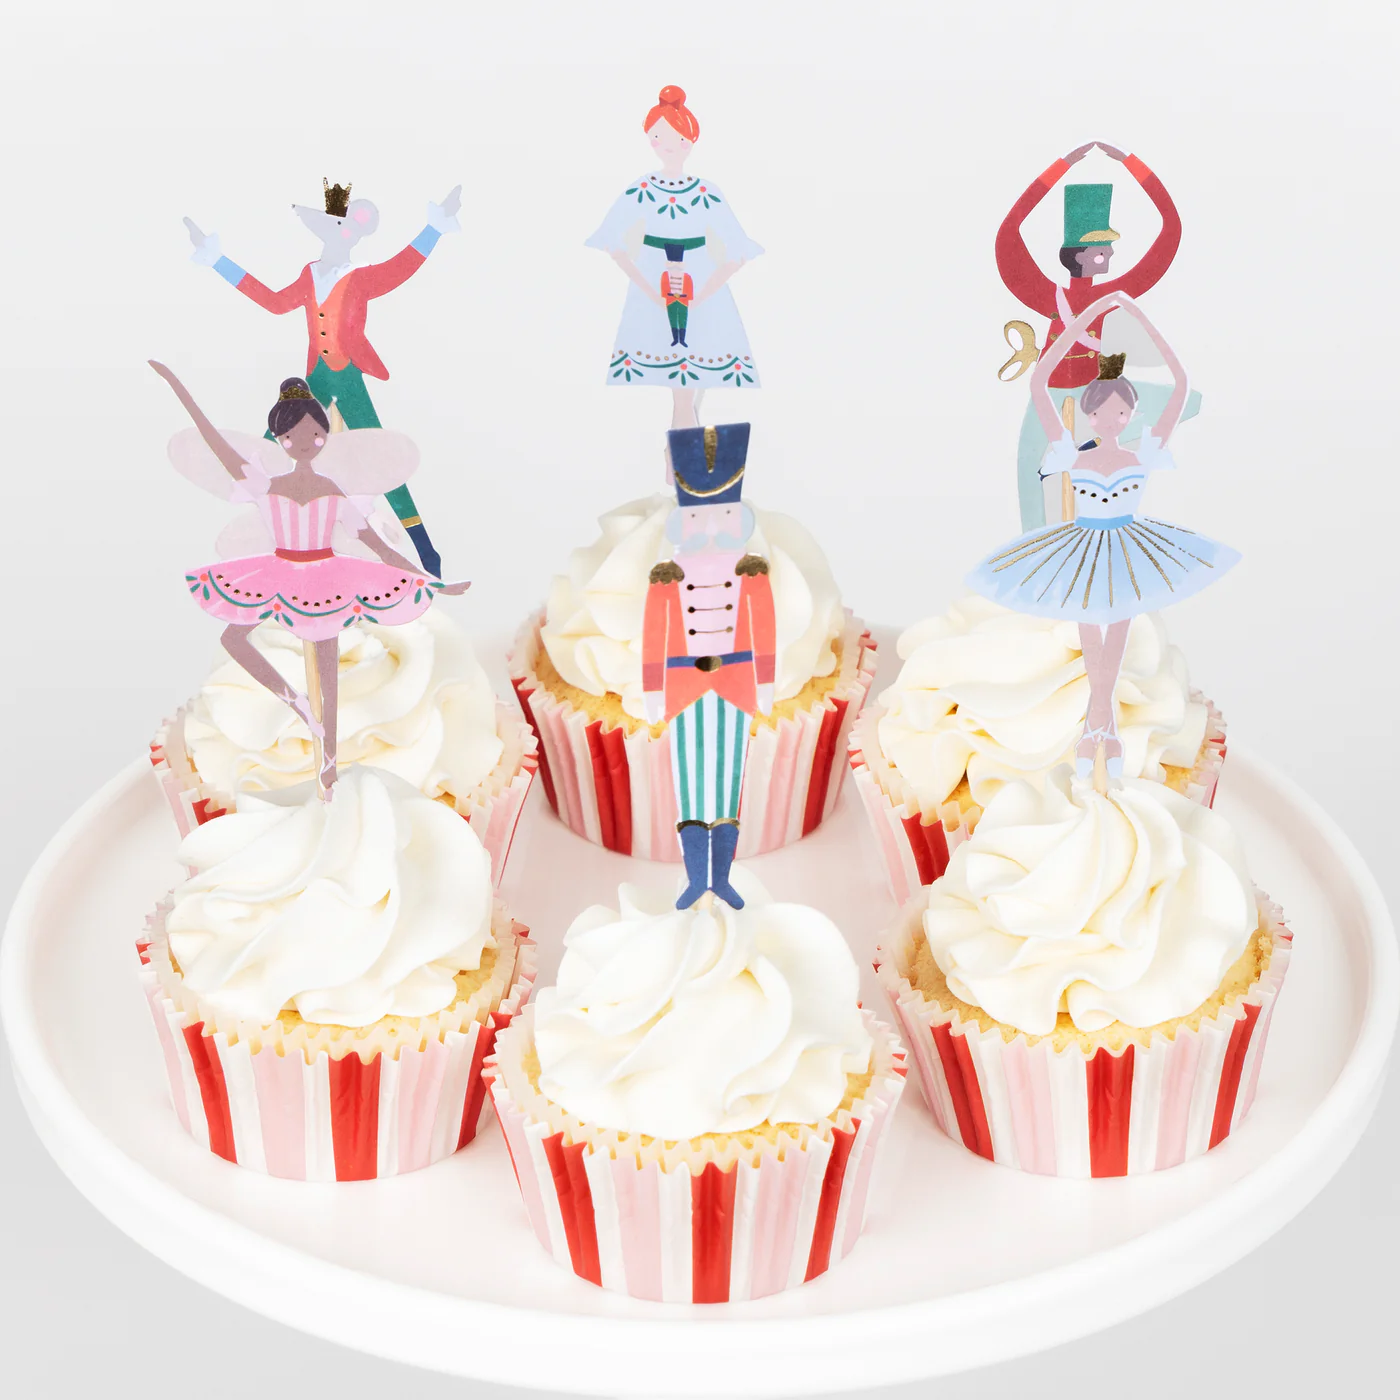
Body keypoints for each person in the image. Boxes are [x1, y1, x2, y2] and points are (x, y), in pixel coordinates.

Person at [152, 364, 469, 795]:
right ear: (280, 439)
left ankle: (329, 762)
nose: (304, 442)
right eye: (292, 436)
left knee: (327, 671)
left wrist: (433, 582)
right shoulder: (264, 485)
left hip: (329, 577)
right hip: (277, 571)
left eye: (315, 435)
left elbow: (380, 548)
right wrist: (181, 391)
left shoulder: (335, 492)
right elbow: (217, 445)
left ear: (324, 437)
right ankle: (297, 703)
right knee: (234, 638)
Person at [966, 293, 1238, 776]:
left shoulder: (1143, 453)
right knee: (1090, 630)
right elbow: (1039, 384)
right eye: (1101, 414)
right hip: (1082, 544)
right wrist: (1084, 320)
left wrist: (1142, 320)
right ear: (1089, 417)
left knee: (1118, 631)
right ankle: (1100, 727)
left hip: (1128, 545)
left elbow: (1179, 386)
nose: (1110, 421)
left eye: (1120, 413)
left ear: (1130, 415)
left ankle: (1101, 724)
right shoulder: (1072, 454)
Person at [183, 179, 463, 575]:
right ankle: (259, 539)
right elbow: (274, 302)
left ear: (355, 232)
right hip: (316, 376)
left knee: (381, 458)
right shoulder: (310, 274)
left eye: (338, 227)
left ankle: (425, 550)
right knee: (269, 449)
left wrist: (434, 227)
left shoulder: (361, 278)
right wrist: (217, 260)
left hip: (347, 374)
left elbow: (401, 267)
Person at [997, 141, 1199, 529]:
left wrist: (1133, 165)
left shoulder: (1111, 296)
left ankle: (1103, 468)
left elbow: (1170, 232)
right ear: (1079, 255)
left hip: (1094, 395)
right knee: (1028, 463)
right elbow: (1008, 235)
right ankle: (1035, 544)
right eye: (1103, 251)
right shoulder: (1049, 296)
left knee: (1185, 403)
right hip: (1049, 394)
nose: (1110, 257)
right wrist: (1058, 169)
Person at [642, 423, 775, 907]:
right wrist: (652, 693)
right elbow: (654, 637)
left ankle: (721, 878)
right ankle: (697, 878)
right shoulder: (667, 577)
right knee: (690, 786)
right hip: (683, 688)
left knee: (728, 784)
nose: (712, 524)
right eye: (700, 515)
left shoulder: (751, 572)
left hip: (736, 685)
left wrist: (766, 685)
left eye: (723, 513)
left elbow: (764, 627)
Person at [587, 86, 763, 433]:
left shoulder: (706, 192)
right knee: (669, 353)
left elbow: (738, 249)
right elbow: (612, 240)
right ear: (650, 139)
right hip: (655, 279)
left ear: (690, 141)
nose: (668, 144)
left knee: (695, 352)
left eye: (678, 137)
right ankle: (683, 427)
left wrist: (705, 292)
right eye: (659, 136)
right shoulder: (642, 189)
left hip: (699, 280)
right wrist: (648, 287)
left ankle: (685, 427)